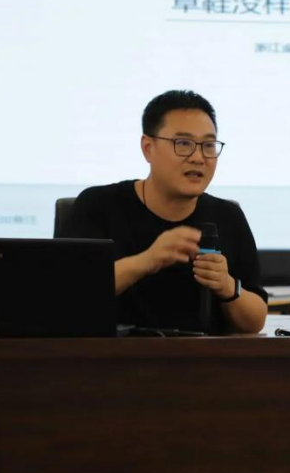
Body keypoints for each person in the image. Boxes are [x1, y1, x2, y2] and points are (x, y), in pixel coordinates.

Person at [61, 90, 268, 334]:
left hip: (201, 356)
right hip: (113, 355)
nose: (198, 158)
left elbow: (255, 321)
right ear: (148, 148)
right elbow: (67, 296)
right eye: (183, 144)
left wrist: (227, 286)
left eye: (208, 145)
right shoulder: (98, 205)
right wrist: (148, 260)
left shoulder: (227, 216)